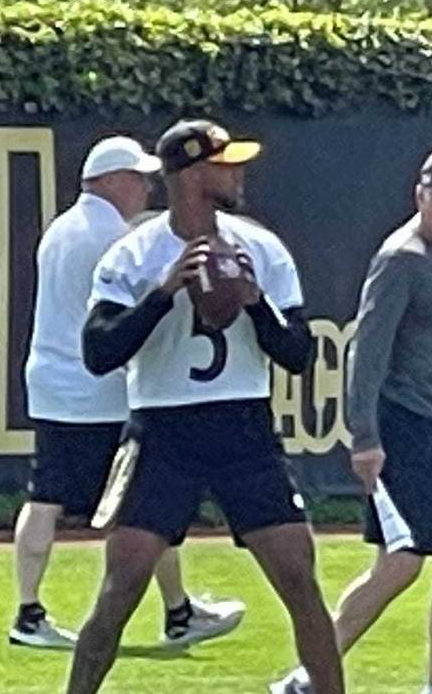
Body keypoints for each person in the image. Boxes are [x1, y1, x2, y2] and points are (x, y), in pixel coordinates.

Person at [64, 119, 345, 694]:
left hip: (242, 424)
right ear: (192, 172)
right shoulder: (134, 255)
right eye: (226, 163)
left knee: (298, 575)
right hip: (164, 429)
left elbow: (296, 354)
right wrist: (164, 293)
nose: (239, 173)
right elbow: (99, 351)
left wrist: (254, 303)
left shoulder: (261, 248)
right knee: (121, 587)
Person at [270, 145, 432, 694]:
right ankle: (307, 676)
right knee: (402, 563)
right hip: (407, 425)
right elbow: (366, 353)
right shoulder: (400, 260)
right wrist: (364, 437)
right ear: (421, 196)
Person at [14, 135, 245, 650]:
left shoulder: (61, 229)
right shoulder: (111, 238)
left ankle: (30, 611)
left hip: (54, 382)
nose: (145, 188)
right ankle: (178, 611)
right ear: (111, 181)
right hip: (97, 391)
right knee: (144, 500)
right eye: (138, 179)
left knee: (48, 496)